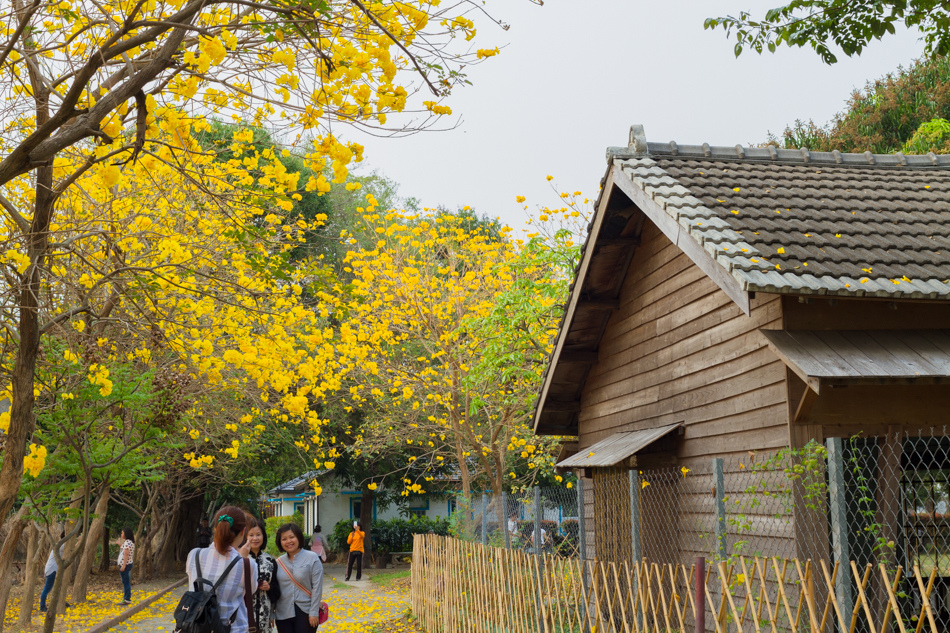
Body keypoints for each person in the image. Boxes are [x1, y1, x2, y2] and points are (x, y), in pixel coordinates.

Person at [186, 506, 257, 633]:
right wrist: (242, 557)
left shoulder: (194, 555)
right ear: (243, 532)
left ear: (215, 529)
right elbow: (249, 591)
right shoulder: (247, 565)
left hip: (197, 627)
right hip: (233, 628)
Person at [274, 523, 324, 633]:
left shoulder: (312, 558)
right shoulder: (278, 562)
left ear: (298, 537)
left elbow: (317, 587)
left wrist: (314, 612)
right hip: (283, 613)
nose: (288, 541)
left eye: (292, 537)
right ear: (280, 541)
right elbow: (275, 589)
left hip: (306, 612)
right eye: (284, 539)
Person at [247, 516, 280, 633]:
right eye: (251, 535)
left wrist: (269, 587)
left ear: (263, 536)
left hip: (264, 617)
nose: (255, 538)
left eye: (258, 534)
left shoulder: (270, 560)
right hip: (243, 615)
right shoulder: (240, 558)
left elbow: (277, 590)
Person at [40, 539, 66, 613]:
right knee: (47, 589)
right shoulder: (62, 544)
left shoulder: (60, 544)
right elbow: (72, 549)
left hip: (52, 569)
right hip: (52, 569)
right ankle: (42, 606)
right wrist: (79, 541)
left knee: (58, 587)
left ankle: (62, 603)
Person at [117, 527, 135, 606]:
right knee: (126, 581)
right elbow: (125, 550)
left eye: (122, 533)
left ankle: (127, 599)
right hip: (128, 564)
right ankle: (126, 598)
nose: (121, 534)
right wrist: (120, 544)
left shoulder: (127, 542)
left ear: (126, 534)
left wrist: (123, 565)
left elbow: (126, 554)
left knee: (126, 582)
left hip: (126, 565)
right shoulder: (129, 542)